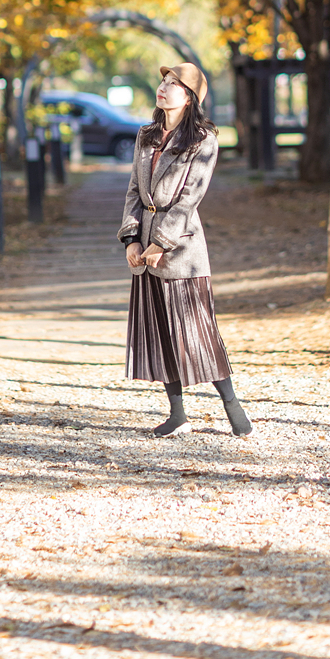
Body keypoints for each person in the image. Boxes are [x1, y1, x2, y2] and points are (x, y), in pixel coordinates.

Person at [118, 62, 252, 438]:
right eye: (163, 81)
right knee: (159, 330)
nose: (163, 88)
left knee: (197, 332)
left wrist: (161, 243)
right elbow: (133, 190)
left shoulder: (203, 138)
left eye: (173, 84)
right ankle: (178, 414)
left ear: (189, 96)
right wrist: (132, 239)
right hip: (144, 248)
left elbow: (190, 198)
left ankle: (232, 406)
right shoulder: (145, 135)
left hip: (183, 249)